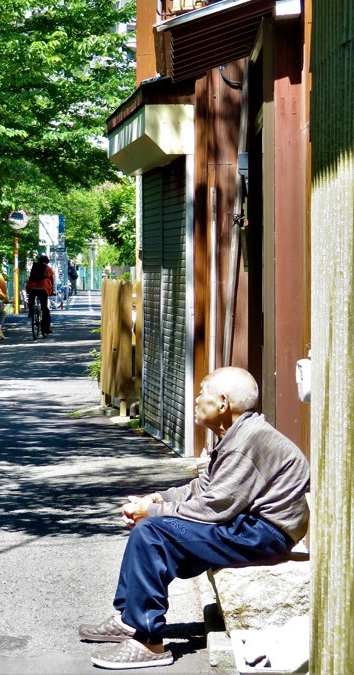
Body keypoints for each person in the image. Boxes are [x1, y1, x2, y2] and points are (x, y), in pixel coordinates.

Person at [79, 366, 310, 670]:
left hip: (265, 534)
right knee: (153, 529)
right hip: (250, 526)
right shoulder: (239, 433)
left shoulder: (246, 443)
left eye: (203, 393)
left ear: (223, 404)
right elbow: (205, 488)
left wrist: (152, 512)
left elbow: (213, 509)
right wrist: (160, 499)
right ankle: (129, 619)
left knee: (153, 533)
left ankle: (148, 642)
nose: (197, 399)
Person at [25, 255, 54, 335]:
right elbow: (51, 280)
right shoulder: (48, 269)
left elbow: (30, 278)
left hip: (31, 288)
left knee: (32, 299)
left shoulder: (34, 267)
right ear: (47, 262)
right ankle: (46, 328)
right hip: (43, 289)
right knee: (44, 308)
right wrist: (52, 292)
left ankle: (31, 311)